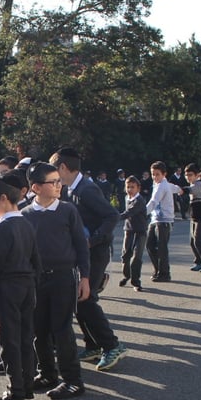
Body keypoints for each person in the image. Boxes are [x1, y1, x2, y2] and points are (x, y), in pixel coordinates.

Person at [53, 147, 124, 371]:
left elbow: (112, 215)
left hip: (96, 252)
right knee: (78, 299)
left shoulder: (86, 189)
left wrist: (93, 240)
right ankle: (93, 345)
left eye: (54, 171)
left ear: (63, 168)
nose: (54, 178)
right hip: (82, 252)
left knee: (86, 298)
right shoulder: (71, 189)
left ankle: (112, 346)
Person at [22, 162, 89, 400]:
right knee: (39, 330)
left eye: (59, 180)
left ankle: (73, 380)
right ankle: (47, 374)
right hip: (36, 280)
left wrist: (85, 277)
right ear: (36, 187)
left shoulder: (68, 210)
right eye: (53, 182)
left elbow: (81, 246)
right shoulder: (25, 215)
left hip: (63, 278)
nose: (59, 185)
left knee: (62, 330)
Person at [0, 172, 40, 400]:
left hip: (8, 287)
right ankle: (28, 386)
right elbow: (37, 259)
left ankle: (16, 392)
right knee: (26, 337)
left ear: (3, 198)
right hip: (27, 285)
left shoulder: (2, 228)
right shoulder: (26, 222)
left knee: (9, 340)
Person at [145, 161, 180, 282]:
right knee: (149, 245)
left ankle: (164, 273)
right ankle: (158, 269)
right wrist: (181, 190)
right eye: (153, 174)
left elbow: (154, 202)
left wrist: (141, 213)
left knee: (161, 248)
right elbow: (175, 188)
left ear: (164, 174)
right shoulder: (162, 185)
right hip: (155, 219)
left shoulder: (162, 186)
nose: (155, 177)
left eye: (157, 174)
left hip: (164, 220)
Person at [118, 176, 148, 289]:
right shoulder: (127, 198)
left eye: (132, 187)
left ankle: (136, 281)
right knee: (125, 254)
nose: (130, 189)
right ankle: (126, 276)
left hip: (140, 231)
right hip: (129, 230)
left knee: (136, 256)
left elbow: (129, 212)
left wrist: (114, 217)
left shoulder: (139, 201)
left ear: (138, 188)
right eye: (128, 187)